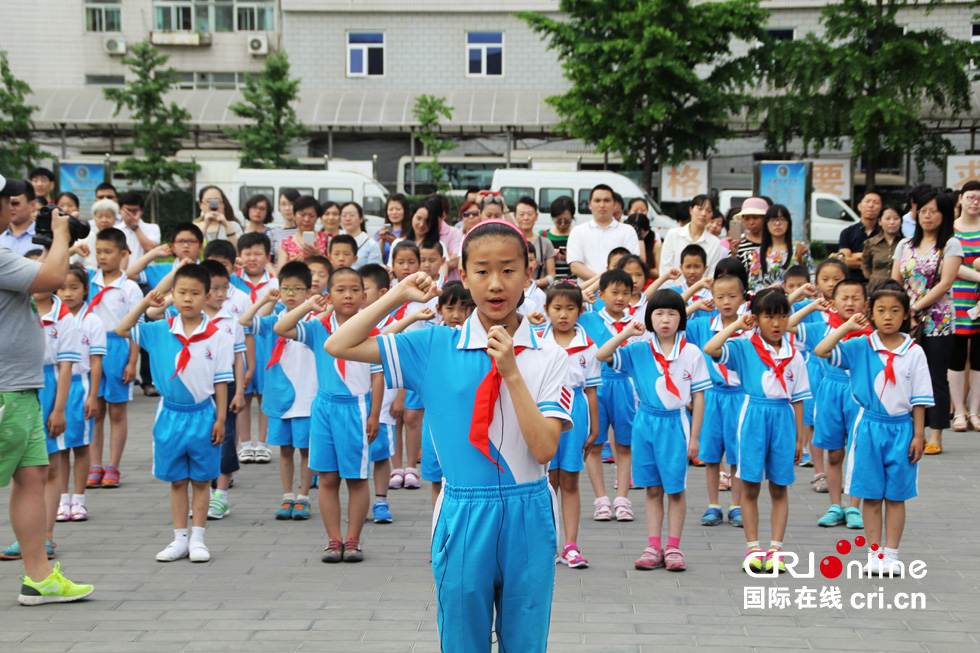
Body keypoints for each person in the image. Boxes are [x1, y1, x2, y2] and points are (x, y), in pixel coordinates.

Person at [324, 220, 571, 651]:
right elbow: (340, 344)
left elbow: (545, 448)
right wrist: (397, 295)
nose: (496, 284)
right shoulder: (434, 345)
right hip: (462, 511)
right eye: (482, 270)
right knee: (461, 639)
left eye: (509, 270)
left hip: (529, 512)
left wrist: (511, 371)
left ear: (529, 275)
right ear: (462, 273)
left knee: (527, 641)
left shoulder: (550, 356)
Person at [0, 174, 93, 604]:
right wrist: (59, 232)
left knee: (34, 476)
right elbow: (55, 277)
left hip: (21, 388)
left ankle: (38, 577)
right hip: (6, 390)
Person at [813, 282, 932, 576]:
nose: (888, 316)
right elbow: (822, 350)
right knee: (871, 493)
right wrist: (848, 326)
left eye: (895, 311)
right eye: (881, 310)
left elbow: (919, 399)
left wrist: (919, 435)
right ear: (871, 313)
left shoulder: (914, 352)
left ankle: (892, 553)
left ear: (905, 315)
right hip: (868, 427)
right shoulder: (860, 346)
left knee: (896, 494)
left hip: (901, 429)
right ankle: (875, 552)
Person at [116, 264, 232, 563]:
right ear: (172, 295)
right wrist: (146, 303)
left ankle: (198, 537)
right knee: (178, 480)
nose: (188, 299)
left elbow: (221, 380)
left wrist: (220, 419)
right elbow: (122, 329)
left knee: (202, 479)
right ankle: (179, 538)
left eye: (195, 293)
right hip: (170, 414)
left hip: (203, 414)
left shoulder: (217, 336)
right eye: (181, 293)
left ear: (207, 296)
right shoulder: (159, 330)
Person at [274, 268, 384, 564]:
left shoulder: (371, 330)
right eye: (340, 290)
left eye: (354, 290)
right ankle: (333, 539)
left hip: (356, 408)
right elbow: (281, 329)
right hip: (323, 408)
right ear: (329, 295)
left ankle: (354, 539)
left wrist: (374, 414)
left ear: (364, 295)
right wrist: (308, 306)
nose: (347, 295)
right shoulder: (318, 326)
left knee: (357, 478)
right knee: (327, 477)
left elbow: (378, 376)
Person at [597, 290, 710, 571]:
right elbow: (602, 354)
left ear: (681, 318)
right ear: (649, 318)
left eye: (672, 313)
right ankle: (653, 545)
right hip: (645, 421)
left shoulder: (691, 352)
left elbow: (698, 397)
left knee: (675, 488)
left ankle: (673, 546)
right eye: (659, 313)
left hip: (676, 423)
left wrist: (695, 437)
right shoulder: (639, 349)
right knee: (651, 488)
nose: (665, 320)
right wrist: (626, 333)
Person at [704, 288, 810, 573]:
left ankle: (776, 549)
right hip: (752, 417)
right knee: (750, 486)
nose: (777, 323)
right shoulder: (744, 346)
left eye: (783, 316)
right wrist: (738, 325)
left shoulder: (795, 355)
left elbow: (799, 399)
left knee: (779, 487)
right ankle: (753, 549)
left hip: (783, 420)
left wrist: (800, 439)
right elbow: (711, 349)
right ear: (757, 318)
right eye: (769, 316)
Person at [240, 263, 318, 521]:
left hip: (307, 396)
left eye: (298, 288)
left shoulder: (315, 321)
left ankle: (304, 496)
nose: (291, 293)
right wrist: (265, 299)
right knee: (284, 449)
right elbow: (245, 321)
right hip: (280, 397)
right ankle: (287, 495)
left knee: (306, 449)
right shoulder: (274, 320)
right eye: (286, 288)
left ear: (309, 291)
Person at [792, 280, 871, 530]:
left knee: (858, 452)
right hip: (830, 392)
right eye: (844, 298)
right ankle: (835, 505)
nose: (849, 303)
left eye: (856, 298)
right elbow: (789, 324)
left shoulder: (872, 332)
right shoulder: (821, 327)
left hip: (860, 394)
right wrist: (813, 306)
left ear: (866, 304)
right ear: (833, 303)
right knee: (835, 453)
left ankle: (854, 507)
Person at [892, 189, 962, 454]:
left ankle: (936, 435)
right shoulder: (904, 245)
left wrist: (914, 307)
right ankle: (909, 430)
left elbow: (945, 283)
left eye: (933, 211)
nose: (927, 216)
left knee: (934, 376)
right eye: (923, 211)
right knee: (904, 374)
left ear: (943, 214)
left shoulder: (951, 245)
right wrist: (902, 310)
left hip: (938, 321)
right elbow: (896, 280)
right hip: (905, 321)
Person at [578, 269, 648, 522]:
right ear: (600, 294)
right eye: (614, 292)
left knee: (624, 444)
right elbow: (560, 298)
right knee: (594, 444)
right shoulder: (587, 318)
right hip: (595, 386)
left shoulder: (637, 322)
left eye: (625, 293)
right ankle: (601, 500)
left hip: (626, 387)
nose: (620, 298)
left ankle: (622, 498)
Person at [540, 283, 600, 569]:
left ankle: (571, 546)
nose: (563, 315)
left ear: (580, 310)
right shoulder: (537, 341)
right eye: (557, 308)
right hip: (546, 409)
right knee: (548, 480)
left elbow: (591, 391)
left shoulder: (589, 347)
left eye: (570, 308)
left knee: (570, 480)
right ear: (546, 310)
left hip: (575, 410)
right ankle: (547, 543)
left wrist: (595, 428)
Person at [685, 273, 747, 529]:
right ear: (712, 298)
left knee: (737, 453)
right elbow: (675, 320)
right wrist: (695, 303)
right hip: (711, 394)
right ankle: (713, 504)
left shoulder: (748, 327)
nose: (726, 302)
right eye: (720, 297)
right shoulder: (702, 325)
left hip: (740, 395)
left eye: (733, 296)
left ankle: (736, 505)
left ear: (743, 297)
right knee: (711, 454)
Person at [85, 228, 142, 490]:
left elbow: (135, 328)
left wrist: (132, 361)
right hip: (91, 346)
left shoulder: (130, 288)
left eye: (108, 252)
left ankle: (114, 466)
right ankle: (94, 465)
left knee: (117, 412)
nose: (102, 257)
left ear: (123, 254)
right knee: (94, 410)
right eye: (99, 251)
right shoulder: (88, 282)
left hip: (118, 346)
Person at [53, 266, 105, 523]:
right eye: (62, 287)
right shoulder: (54, 318)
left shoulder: (92, 321)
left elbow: (96, 362)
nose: (67, 293)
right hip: (57, 383)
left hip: (81, 384)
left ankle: (79, 498)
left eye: (74, 287)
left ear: (86, 289)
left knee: (81, 444)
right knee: (60, 445)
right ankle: (62, 499)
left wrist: (93, 395)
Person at [231, 232, 278, 464]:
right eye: (247, 253)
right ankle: (245, 443)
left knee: (264, 395)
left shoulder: (275, 282)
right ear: (239, 256)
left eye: (258, 253)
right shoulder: (232, 280)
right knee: (244, 394)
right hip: (241, 343)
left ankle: (263, 443)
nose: (252, 258)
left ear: (267, 256)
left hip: (267, 343)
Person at [949, 181, 980, 431]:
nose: (975, 202)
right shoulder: (950, 231)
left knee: (979, 358)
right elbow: (949, 265)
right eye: (971, 197)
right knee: (957, 356)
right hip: (956, 300)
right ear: (960, 199)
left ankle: (975, 412)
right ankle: (959, 411)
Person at [567, 185, 640, 282]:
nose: (602, 205)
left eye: (606, 200)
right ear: (590, 204)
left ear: (614, 204)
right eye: (597, 201)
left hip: (619, 291)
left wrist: (611, 284)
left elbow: (632, 263)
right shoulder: (578, 231)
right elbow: (575, 266)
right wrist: (603, 281)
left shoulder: (628, 231)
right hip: (588, 292)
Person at [746, 204, 812, 291]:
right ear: (767, 224)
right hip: (769, 301)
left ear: (788, 223)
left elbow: (811, 274)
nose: (777, 223)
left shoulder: (800, 247)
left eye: (781, 219)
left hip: (798, 300)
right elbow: (753, 283)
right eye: (773, 220)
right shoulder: (758, 253)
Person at [660, 195, 722, 277]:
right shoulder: (673, 235)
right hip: (673, 289)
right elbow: (665, 269)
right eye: (700, 209)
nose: (703, 213)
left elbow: (711, 274)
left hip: (702, 289)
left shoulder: (715, 243)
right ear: (691, 210)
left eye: (708, 210)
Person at [838, 191, 884, 281]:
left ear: (881, 208)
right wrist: (872, 260)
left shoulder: (884, 233)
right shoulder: (847, 232)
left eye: (876, 202)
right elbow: (844, 261)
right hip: (852, 282)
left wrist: (857, 256)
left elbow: (886, 261)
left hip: (879, 282)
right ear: (859, 206)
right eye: (867, 201)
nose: (871, 205)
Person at [515, 197, 556, 289]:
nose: (526, 218)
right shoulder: (509, 243)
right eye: (521, 214)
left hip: (539, 295)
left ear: (536, 216)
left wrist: (533, 284)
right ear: (515, 216)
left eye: (530, 214)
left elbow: (551, 276)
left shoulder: (545, 243)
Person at [862, 205, 904, 294]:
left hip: (899, 290)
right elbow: (866, 269)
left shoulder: (906, 244)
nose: (892, 222)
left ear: (901, 221)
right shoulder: (870, 243)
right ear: (880, 221)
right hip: (875, 289)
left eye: (896, 218)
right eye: (887, 218)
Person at [278, 196, 327, 268]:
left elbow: (335, 267)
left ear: (317, 218)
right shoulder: (285, 244)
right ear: (294, 216)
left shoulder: (328, 239)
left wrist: (319, 255)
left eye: (311, 216)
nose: (306, 219)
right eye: (302, 215)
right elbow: (279, 273)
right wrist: (290, 265)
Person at [70, 199, 118, 270]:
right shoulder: (89, 237)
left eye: (108, 216)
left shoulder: (119, 238)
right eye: (99, 216)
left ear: (115, 218)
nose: (104, 220)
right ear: (94, 218)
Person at [116, 191, 161, 260]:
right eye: (127, 211)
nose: (130, 215)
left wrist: (135, 226)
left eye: (134, 211)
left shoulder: (152, 228)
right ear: (120, 209)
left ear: (141, 210)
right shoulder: (115, 229)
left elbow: (152, 249)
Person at [541, 196, 576, 281]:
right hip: (549, 283)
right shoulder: (544, 235)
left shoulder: (577, 234)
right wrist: (550, 257)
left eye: (567, 221)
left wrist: (569, 258)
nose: (563, 224)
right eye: (559, 221)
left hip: (574, 283)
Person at [340, 201, 383, 269]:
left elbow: (373, 272)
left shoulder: (371, 245)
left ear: (361, 218)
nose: (347, 219)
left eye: (352, 215)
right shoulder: (336, 241)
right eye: (344, 215)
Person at [0, 181, 37, 256]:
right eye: (8, 203)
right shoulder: (1, 235)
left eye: (15, 203)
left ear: (32, 205)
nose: (10, 208)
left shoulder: (46, 237)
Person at [731, 197, 768, 269]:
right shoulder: (738, 244)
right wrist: (734, 254)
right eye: (747, 218)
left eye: (755, 217)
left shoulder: (774, 243)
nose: (751, 222)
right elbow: (732, 271)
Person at [269, 188, 300, 265]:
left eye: (291, 204)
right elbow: (269, 262)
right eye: (283, 204)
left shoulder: (305, 231)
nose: (287, 208)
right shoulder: (273, 233)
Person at [376, 194, 409, 263]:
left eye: (398, 209)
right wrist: (382, 242)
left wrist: (395, 243)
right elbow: (377, 257)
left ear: (405, 210)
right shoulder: (380, 232)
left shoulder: (410, 232)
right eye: (391, 209)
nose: (394, 212)